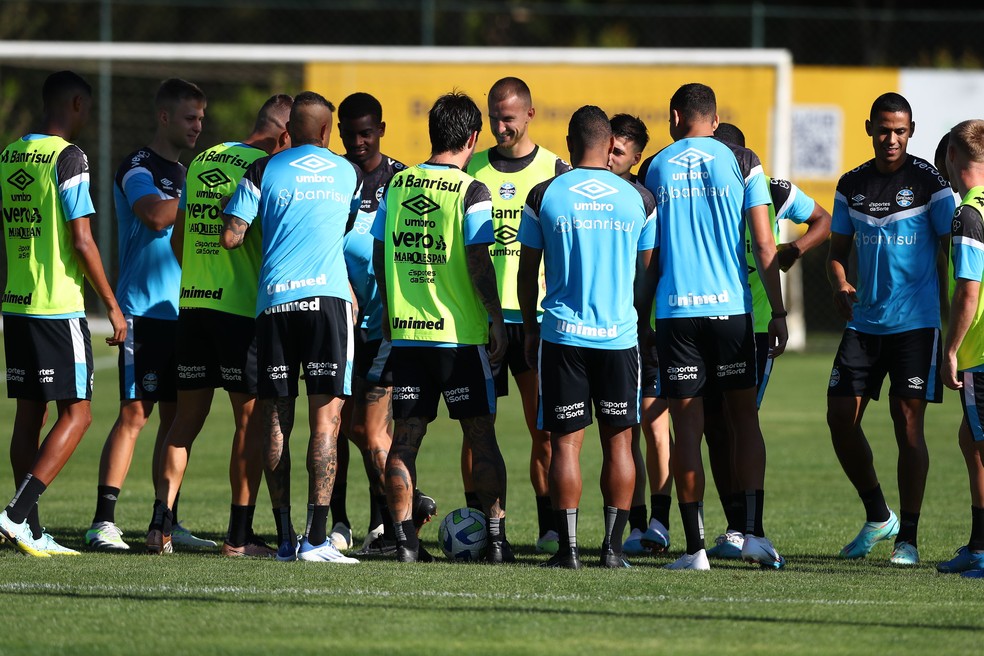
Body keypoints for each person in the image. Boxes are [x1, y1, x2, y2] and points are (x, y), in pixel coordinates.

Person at [637, 82, 787, 571]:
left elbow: (652, 258)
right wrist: (780, 311)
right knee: (745, 422)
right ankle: (755, 534)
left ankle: (696, 548)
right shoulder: (744, 161)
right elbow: (765, 246)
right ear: (714, 120)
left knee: (688, 431)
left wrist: (641, 316)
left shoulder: (656, 165)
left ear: (677, 116)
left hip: (678, 315)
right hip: (733, 314)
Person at [211, 91, 362, 564]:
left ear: (287, 132)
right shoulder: (348, 172)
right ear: (324, 132)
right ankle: (318, 538)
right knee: (327, 421)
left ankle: (283, 537)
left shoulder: (262, 170)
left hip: (275, 303)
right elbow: (343, 228)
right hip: (328, 304)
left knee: (275, 419)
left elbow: (231, 237)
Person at [144, 94, 294, 557]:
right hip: (238, 314)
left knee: (185, 421)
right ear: (284, 135)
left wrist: (200, 279)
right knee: (248, 423)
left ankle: (158, 527)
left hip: (192, 308)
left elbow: (178, 238)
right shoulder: (265, 169)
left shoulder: (204, 158)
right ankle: (238, 537)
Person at [372, 91, 512, 564]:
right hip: (459, 336)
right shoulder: (472, 191)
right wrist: (495, 315)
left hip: (409, 336)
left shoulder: (397, 185)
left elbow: (377, 255)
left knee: (405, 439)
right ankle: (495, 543)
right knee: (481, 436)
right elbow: (478, 259)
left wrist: (393, 309)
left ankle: (407, 545)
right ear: (473, 138)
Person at [519, 105, 657, 569]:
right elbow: (648, 274)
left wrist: (531, 327)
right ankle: (614, 551)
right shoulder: (639, 199)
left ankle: (568, 549)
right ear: (608, 144)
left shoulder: (544, 195)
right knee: (620, 444)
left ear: (570, 141)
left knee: (565, 444)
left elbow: (525, 272)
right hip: (619, 338)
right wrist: (637, 320)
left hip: (562, 337)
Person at [0, 70, 126, 556]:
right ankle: (15, 515)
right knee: (79, 413)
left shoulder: (11, 153)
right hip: (58, 306)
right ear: (76, 104)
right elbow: (81, 238)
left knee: (30, 414)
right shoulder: (69, 156)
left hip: (17, 302)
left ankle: (28, 528)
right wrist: (112, 306)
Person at [826, 93, 954, 566]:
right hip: (864, 323)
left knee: (908, 427)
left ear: (912, 130)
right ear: (869, 128)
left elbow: (952, 251)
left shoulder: (930, 184)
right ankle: (880, 515)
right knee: (840, 418)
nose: (891, 138)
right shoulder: (851, 184)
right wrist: (840, 283)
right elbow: (837, 254)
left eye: (900, 130)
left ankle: (910, 540)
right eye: (883, 129)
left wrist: (956, 326)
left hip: (915, 326)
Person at [85, 78, 211, 551]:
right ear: (164, 117)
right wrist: (201, 201)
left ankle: (167, 518)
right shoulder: (138, 165)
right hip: (143, 311)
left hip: (183, 311)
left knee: (178, 420)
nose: (198, 126)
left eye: (201, 118)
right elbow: (155, 215)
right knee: (135, 413)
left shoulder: (189, 173)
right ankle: (103, 520)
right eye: (189, 117)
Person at [704, 122, 832, 559]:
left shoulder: (772, 189)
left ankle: (747, 528)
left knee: (738, 422)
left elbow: (822, 219)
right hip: (707, 317)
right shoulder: (693, 189)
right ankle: (735, 525)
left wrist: (794, 251)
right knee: (714, 428)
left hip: (754, 325)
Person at [464, 77, 571, 554]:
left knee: (543, 430)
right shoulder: (473, 168)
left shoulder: (555, 169)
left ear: (529, 114)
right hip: (480, 319)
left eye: (508, 117)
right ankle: (481, 528)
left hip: (534, 321)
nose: (499, 126)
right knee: (475, 429)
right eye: (493, 117)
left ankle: (549, 526)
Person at [336, 91, 436, 556]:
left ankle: (394, 520)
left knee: (368, 429)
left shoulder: (401, 181)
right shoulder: (334, 178)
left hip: (385, 326)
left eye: (365, 133)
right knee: (343, 428)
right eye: (348, 133)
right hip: (340, 322)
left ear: (380, 130)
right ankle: (348, 521)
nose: (357, 142)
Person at [607, 113, 674, 557]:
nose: (611, 157)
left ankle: (661, 521)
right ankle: (633, 524)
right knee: (623, 431)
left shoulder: (644, 200)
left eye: (620, 151)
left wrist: (645, 321)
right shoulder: (583, 192)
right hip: (608, 333)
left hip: (643, 330)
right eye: (608, 147)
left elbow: (650, 270)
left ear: (635, 158)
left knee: (655, 428)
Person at [939, 118, 984, 577]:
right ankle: (978, 544)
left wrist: (950, 349)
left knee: (980, 444)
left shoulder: (969, 212)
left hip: (981, 349)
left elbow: (968, 289)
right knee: (970, 440)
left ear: (953, 156)